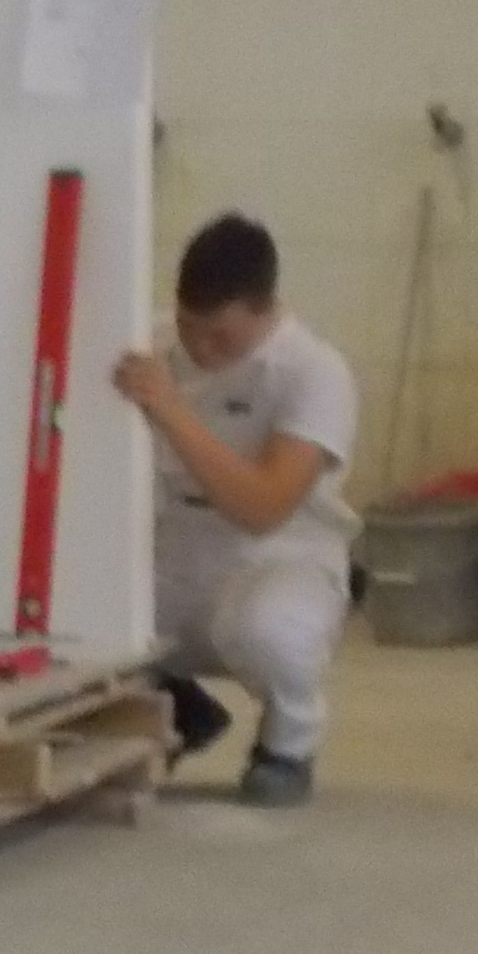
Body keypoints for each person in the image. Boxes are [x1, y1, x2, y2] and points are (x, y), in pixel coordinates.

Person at [115, 213, 360, 808]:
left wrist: (172, 411)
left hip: (281, 555)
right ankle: (178, 712)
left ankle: (288, 743)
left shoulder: (313, 372)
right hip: (176, 543)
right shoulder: (153, 348)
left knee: (268, 631)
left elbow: (263, 508)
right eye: (189, 328)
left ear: (264, 309)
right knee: (84, 617)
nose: (200, 349)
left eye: (220, 337)